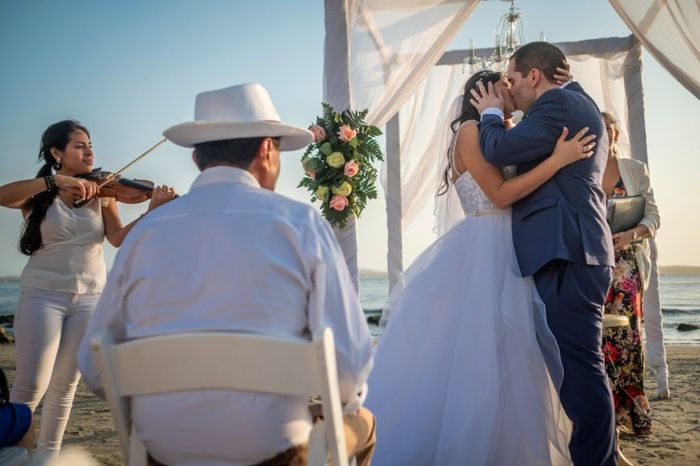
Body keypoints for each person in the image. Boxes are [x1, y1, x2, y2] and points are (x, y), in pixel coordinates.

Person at [77, 83, 375, 466]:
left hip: (164, 455)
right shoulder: (299, 224)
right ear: (267, 150)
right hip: (275, 455)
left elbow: (94, 365)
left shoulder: (146, 233)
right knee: (363, 422)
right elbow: (350, 365)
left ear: (199, 159)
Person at [365, 69, 596, 465]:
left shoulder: (505, 131)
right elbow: (501, 194)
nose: (513, 91)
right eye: (505, 86)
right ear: (485, 92)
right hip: (483, 251)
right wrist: (559, 160)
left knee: (516, 360)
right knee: (479, 355)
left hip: (514, 249)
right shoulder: (470, 132)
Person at [472, 42, 617, 465]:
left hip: (569, 252)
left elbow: (498, 151)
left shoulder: (558, 103)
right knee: (576, 371)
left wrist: (489, 114)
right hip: (570, 250)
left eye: (512, 81)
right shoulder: (570, 105)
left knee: (580, 373)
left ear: (534, 76)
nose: (510, 90)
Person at [0, 120, 176, 456]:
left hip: (91, 297)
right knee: (31, 385)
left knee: (66, 385)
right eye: (79, 145)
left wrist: (151, 210)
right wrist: (52, 181)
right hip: (42, 294)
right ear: (57, 153)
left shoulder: (105, 191)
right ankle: (10, 453)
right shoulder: (39, 193)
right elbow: (2, 196)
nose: (89, 150)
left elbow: (118, 239)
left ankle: (49, 458)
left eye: (90, 144)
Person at [600, 111, 661, 436]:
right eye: (599, 128)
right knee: (596, 342)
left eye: (609, 128)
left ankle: (631, 414)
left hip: (625, 265)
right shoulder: (581, 170)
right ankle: (603, 415)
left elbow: (653, 216)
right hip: (592, 265)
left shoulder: (635, 170)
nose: (604, 133)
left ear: (616, 133)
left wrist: (631, 235)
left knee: (628, 340)